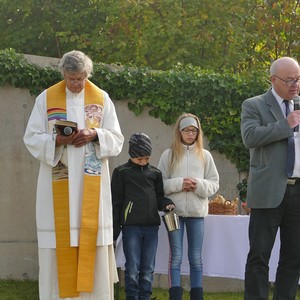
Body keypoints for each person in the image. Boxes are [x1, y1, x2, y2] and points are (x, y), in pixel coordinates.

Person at [23, 50, 124, 300]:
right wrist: (58, 139)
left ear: (87, 74)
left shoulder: (101, 99)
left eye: (81, 78)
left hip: (92, 193)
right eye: (71, 79)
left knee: (93, 245)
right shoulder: (46, 99)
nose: (77, 84)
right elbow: (31, 138)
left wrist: (95, 135)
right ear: (63, 74)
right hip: (58, 192)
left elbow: (117, 139)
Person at [241, 57, 300, 300]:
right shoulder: (254, 105)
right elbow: (250, 137)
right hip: (268, 192)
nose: (295, 85)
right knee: (259, 255)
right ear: (273, 79)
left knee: (293, 257)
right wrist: (285, 125)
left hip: (298, 192)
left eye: (298, 79)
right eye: (289, 80)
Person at [158, 113, 219, 300]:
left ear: (198, 132)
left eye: (194, 130)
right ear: (179, 132)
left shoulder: (205, 155)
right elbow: (159, 183)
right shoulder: (168, 155)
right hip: (173, 213)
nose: (190, 134)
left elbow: (214, 183)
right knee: (175, 256)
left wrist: (198, 185)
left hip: (196, 213)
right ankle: (175, 294)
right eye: (186, 130)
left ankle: (197, 295)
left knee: (195, 258)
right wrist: (180, 184)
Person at [111, 132, 175, 300]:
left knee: (148, 268)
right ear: (131, 154)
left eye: (146, 158)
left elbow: (160, 197)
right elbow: (115, 202)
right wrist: (114, 232)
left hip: (152, 227)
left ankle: (145, 296)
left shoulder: (155, 173)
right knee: (132, 266)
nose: (143, 162)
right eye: (139, 159)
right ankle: (132, 296)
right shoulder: (121, 172)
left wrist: (166, 203)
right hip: (131, 227)